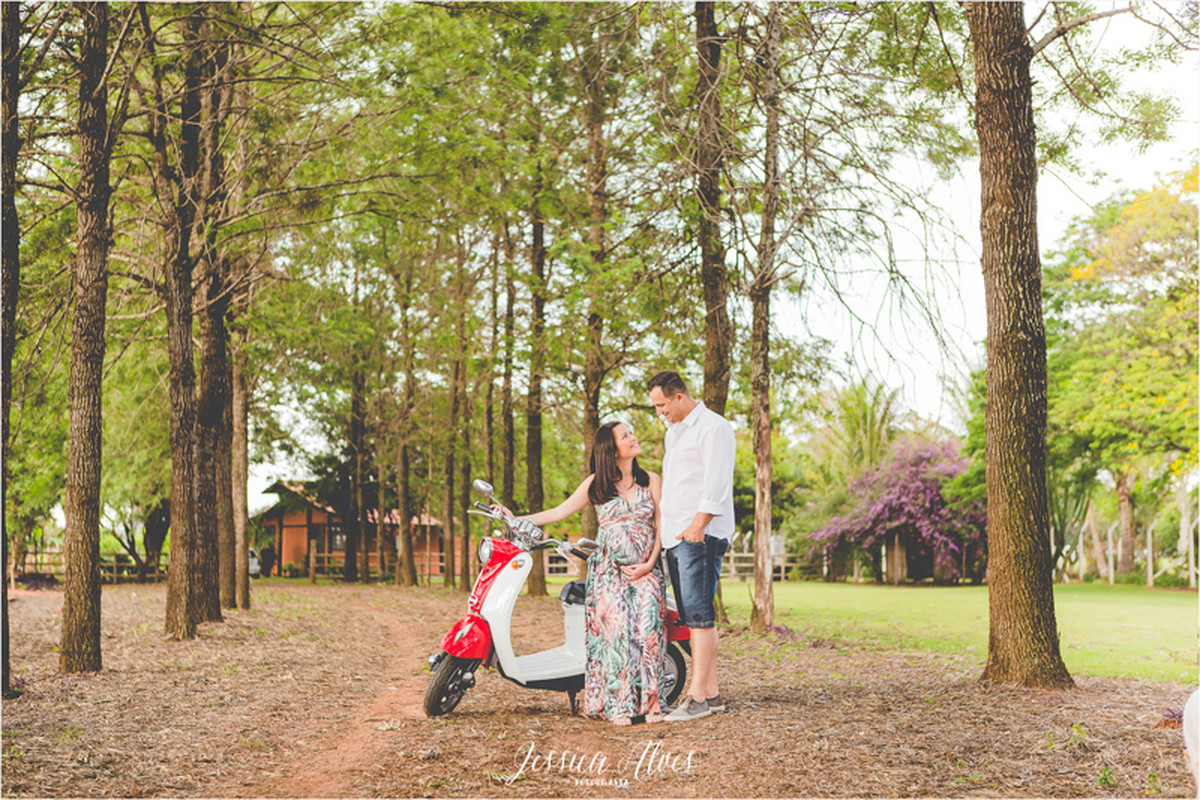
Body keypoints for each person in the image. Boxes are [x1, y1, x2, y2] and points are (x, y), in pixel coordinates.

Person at [493, 422, 667, 726]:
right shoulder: (596, 485)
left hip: (646, 570)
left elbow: (660, 525)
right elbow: (558, 512)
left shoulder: (650, 480)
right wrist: (515, 518)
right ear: (611, 449)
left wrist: (651, 563)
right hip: (609, 573)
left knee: (649, 631)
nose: (633, 437)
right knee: (616, 636)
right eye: (626, 436)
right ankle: (619, 706)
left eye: (630, 433)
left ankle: (652, 704)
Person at [647, 370, 735, 722]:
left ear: (679, 397)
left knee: (700, 619)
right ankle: (711, 695)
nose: (659, 413)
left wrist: (697, 527)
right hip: (678, 538)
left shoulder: (713, 428)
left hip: (699, 536)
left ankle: (697, 698)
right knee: (694, 617)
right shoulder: (676, 431)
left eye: (662, 405)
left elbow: (716, 482)